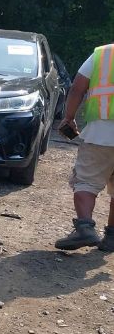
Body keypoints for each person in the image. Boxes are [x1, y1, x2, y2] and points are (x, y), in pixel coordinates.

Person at [56, 42, 114, 250]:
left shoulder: (104, 54)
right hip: (101, 133)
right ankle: (112, 238)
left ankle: (85, 228)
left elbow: (77, 88)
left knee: (86, 182)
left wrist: (69, 117)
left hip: (101, 133)